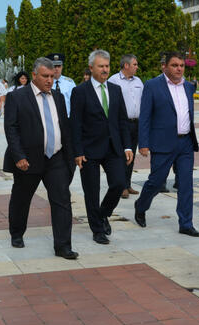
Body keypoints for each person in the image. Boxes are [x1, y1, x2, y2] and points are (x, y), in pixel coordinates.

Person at [4, 57, 78, 260]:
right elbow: (11, 129)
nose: (49, 80)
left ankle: (63, 246)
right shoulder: (17, 97)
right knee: (21, 198)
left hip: (56, 158)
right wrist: (18, 156)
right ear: (34, 75)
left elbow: (65, 127)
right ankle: (16, 233)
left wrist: (70, 158)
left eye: (52, 77)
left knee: (62, 201)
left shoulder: (59, 97)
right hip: (28, 160)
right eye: (45, 76)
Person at [134, 51, 199, 237]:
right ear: (165, 67)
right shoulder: (153, 86)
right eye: (175, 65)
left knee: (186, 184)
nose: (179, 68)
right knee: (156, 182)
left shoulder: (189, 86)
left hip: (185, 143)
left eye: (181, 65)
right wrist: (143, 143)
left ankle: (186, 223)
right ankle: (141, 206)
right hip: (162, 143)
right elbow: (145, 116)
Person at [71, 50, 132, 245]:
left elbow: (122, 120)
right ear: (91, 68)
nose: (105, 69)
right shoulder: (80, 91)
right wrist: (78, 151)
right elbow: (75, 124)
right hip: (89, 150)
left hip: (113, 147)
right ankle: (97, 230)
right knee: (92, 191)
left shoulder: (115, 89)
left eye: (107, 66)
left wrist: (127, 146)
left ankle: (103, 213)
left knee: (118, 183)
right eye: (101, 66)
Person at [108, 54, 144, 199]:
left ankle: (127, 184)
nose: (137, 67)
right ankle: (120, 186)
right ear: (126, 65)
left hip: (136, 123)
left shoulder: (138, 81)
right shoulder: (113, 80)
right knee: (122, 154)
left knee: (132, 154)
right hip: (121, 124)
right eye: (134, 64)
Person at [46, 53, 76, 117]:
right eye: (54, 66)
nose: (56, 69)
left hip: (68, 119)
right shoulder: (45, 83)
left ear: (62, 67)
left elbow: (75, 102)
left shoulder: (70, 83)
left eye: (59, 66)